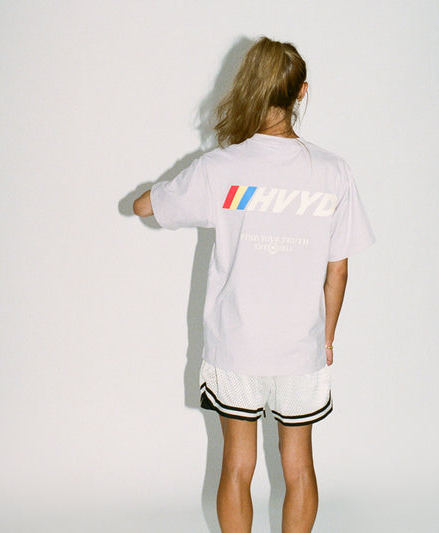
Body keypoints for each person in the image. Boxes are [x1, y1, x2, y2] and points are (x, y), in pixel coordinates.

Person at [133, 36, 375, 533]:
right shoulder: (333, 172)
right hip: (300, 347)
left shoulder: (220, 168)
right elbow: (339, 270)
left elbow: (144, 208)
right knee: (299, 466)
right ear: (301, 91)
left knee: (237, 465)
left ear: (249, 86)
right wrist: (327, 338)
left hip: (236, 345)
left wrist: (158, 192)